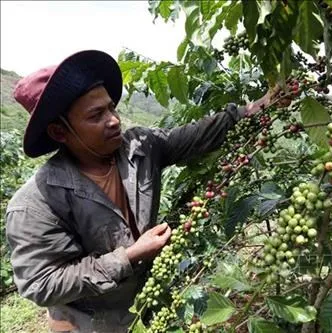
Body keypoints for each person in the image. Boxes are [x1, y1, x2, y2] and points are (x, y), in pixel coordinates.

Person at [5, 50, 276, 333]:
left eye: (111, 108)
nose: (113, 120)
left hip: (146, 302)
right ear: (60, 132)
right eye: (96, 115)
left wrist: (247, 112)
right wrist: (130, 255)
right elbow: (41, 284)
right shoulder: (35, 203)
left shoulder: (139, 147)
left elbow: (193, 137)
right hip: (90, 323)